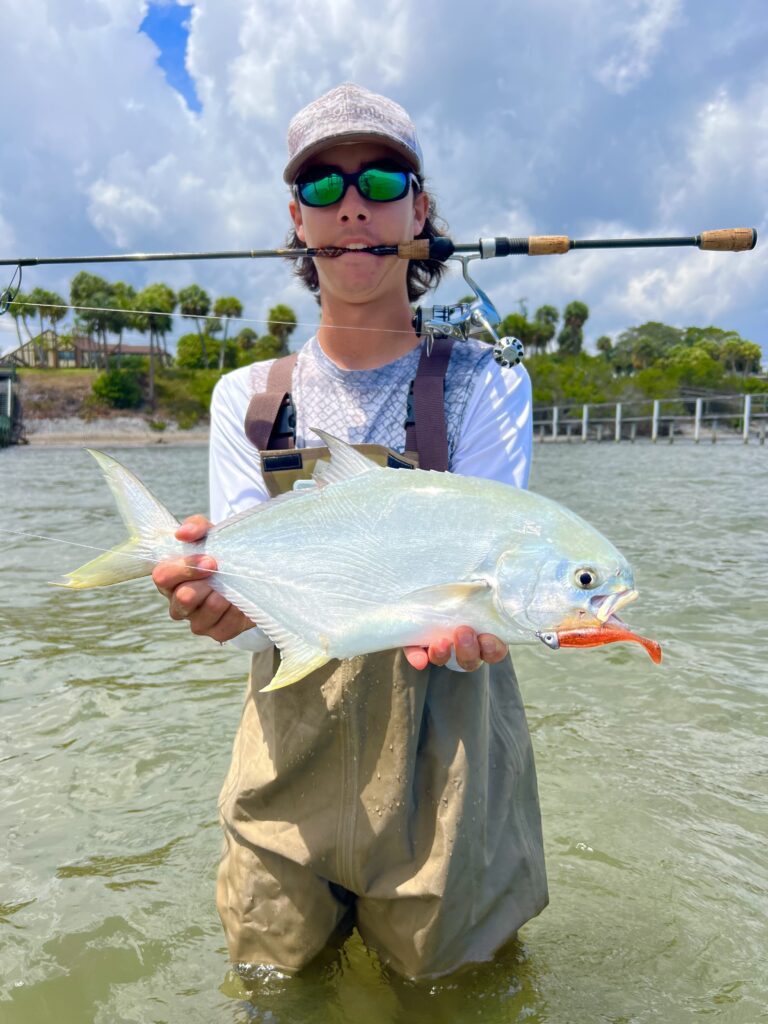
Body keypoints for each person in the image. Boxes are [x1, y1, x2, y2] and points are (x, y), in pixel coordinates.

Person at [153, 83, 548, 980]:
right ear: (298, 219)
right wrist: (218, 605)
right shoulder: (248, 397)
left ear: (419, 208)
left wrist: (472, 629)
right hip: (283, 753)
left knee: (451, 988)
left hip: (448, 762)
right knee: (270, 980)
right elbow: (253, 611)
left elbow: (488, 588)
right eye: (323, 188)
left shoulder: (486, 383)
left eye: (379, 177)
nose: (354, 202)